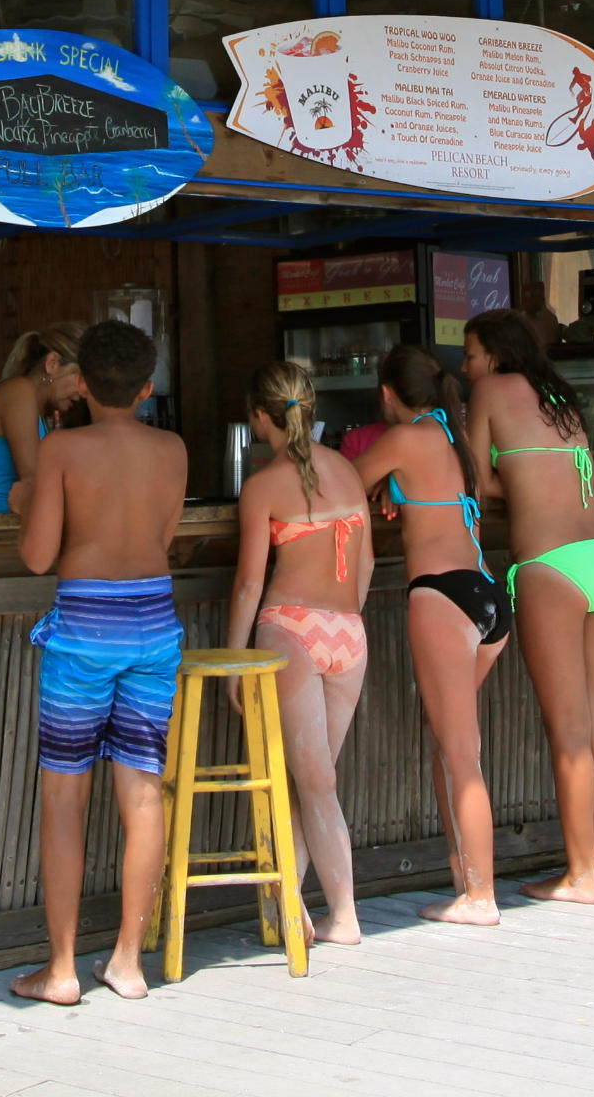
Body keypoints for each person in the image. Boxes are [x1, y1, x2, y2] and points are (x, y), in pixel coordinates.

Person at [11, 318, 188, 1005]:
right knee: (143, 795)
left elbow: (37, 556)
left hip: (84, 628)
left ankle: (60, 971)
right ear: (147, 387)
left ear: (81, 384)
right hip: (153, 625)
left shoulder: (62, 450)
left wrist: (27, 499)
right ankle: (127, 962)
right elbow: (165, 536)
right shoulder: (172, 449)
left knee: (65, 798)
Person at [466, 308, 594, 906]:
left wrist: (521, 484)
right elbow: (566, 473)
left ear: (496, 355)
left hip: (550, 565)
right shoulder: (558, 392)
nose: (466, 363)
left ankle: (580, 874)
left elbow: (476, 480)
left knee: (567, 732)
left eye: (471, 352)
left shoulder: (486, 391)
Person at [352, 342, 507, 925]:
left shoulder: (405, 438)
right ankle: (465, 884)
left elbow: (340, 483)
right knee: (455, 749)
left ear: (387, 394)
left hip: (442, 597)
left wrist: (378, 487)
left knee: (462, 754)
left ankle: (481, 896)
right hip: (487, 595)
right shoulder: (451, 434)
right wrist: (395, 494)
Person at [225, 359, 372, 948]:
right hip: (349, 633)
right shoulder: (350, 473)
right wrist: (346, 616)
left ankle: (336, 915)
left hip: (291, 629)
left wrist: (237, 661)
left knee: (312, 782)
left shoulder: (262, 485)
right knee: (316, 780)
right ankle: (293, 906)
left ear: (262, 416)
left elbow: (246, 586)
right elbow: (362, 565)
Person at [0, 324, 86, 514]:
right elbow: (33, 482)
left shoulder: (33, 406)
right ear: (52, 363)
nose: (83, 392)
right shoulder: (18, 392)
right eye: (80, 379)